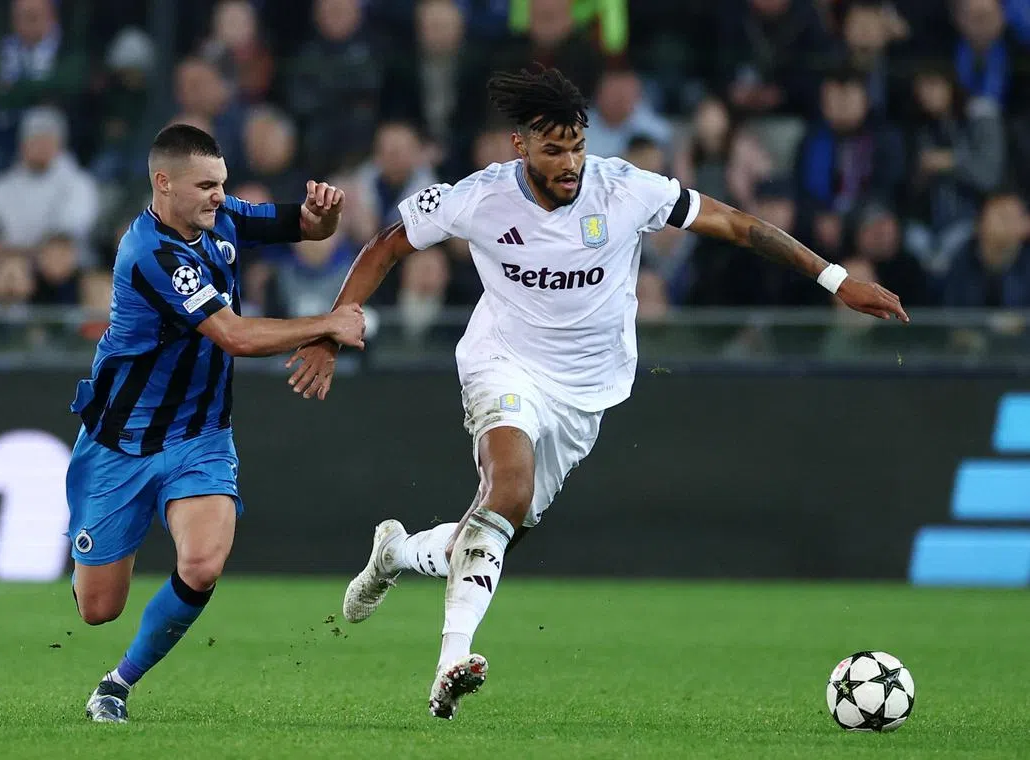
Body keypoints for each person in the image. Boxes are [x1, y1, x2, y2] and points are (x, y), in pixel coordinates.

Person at [285, 66, 908, 721]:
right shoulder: (478, 198)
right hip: (504, 365)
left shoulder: (624, 190)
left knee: (493, 531)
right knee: (506, 490)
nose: (571, 161)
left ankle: (396, 552)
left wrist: (835, 280)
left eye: (577, 144)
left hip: (585, 396)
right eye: (553, 148)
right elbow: (387, 245)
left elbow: (733, 223)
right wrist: (330, 329)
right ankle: (450, 665)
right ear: (519, 146)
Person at [67, 124, 365, 723]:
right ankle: (98, 553)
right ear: (163, 184)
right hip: (119, 442)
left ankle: (117, 685)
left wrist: (322, 216)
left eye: (222, 184)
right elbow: (231, 335)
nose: (217, 196)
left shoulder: (221, 215)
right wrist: (326, 324)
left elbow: (304, 228)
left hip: (201, 435)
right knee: (98, 608)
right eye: (205, 186)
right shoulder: (149, 253)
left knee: (202, 563)